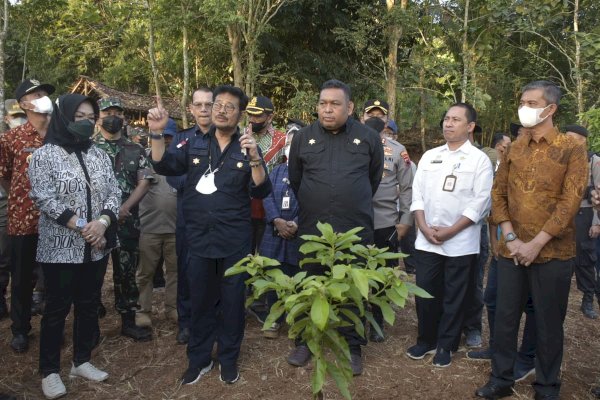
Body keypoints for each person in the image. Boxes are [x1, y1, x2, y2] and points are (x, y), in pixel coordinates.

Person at [148, 85, 271, 385]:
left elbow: (262, 189)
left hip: (234, 241)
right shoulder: (191, 143)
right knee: (200, 302)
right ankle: (199, 359)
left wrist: (254, 156)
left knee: (231, 304)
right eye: (218, 104)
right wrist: (155, 133)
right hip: (199, 239)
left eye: (230, 106)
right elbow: (162, 164)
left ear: (240, 114)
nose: (220, 110)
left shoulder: (247, 146)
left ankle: (228, 359)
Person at [476, 81, 588, 400]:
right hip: (511, 250)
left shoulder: (571, 148)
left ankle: (547, 385)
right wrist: (510, 237)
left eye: (531, 102)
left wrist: (536, 243)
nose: (523, 108)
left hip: (553, 252)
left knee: (549, 323)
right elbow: (498, 194)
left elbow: (570, 201)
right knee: (505, 318)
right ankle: (501, 379)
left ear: (550, 109)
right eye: (522, 102)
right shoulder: (513, 148)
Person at [287, 79, 384, 376]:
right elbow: (296, 179)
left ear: (350, 107)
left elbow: (373, 179)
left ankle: (352, 345)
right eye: (322, 103)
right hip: (312, 230)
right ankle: (305, 340)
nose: (327, 109)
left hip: (353, 229)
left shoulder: (368, 137)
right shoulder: (303, 138)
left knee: (353, 288)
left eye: (335, 104)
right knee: (308, 282)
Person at [28, 94, 120, 399]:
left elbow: (113, 191)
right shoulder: (45, 155)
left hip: (97, 246)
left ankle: (81, 361)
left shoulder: (99, 155)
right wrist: (84, 226)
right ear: (64, 117)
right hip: (60, 248)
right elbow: (44, 198)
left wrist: (103, 223)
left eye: (90, 117)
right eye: (79, 116)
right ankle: (50, 371)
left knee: (88, 304)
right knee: (56, 309)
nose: (86, 122)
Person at [406, 102, 493, 368]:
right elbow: (417, 194)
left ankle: (446, 344)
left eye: (455, 120)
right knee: (425, 292)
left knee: (456, 295)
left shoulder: (479, 160)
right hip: (427, 239)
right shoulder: (430, 156)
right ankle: (426, 339)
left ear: (470, 127)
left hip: (460, 242)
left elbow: (480, 202)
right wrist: (422, 226)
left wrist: (451, 230)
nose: (448, 123)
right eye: (446, 119)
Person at [0, 78, 54, 353]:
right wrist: (23, 196)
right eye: (36, 95)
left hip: (59, 222)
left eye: (44, 93)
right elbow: (5, 177)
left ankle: (53, 327)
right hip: (23, 221)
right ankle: (20, 330)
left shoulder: (62, 137)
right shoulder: (11, 139)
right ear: (23, 104)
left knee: (55, 279)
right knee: (21, 279)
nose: (43, 98)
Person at [94, 97, 153, 341]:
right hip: (95, 224)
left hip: (127, 221)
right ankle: (90, 322)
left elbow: (145, 180)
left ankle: (128, 320)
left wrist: (125, 207)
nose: (112, 116)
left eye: (117, 112)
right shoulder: (88, 149)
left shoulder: (135, 149)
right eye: (107, 112)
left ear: (124, 117)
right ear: (98, 117)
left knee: (127, 272)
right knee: (92, 272)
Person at [166, 87, 213, 344]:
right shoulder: (182, 139)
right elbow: (172, 173)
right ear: (191, 109)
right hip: (189, 216)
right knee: (186, 269)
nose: (204, 109)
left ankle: (212, 319)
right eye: (199, 104)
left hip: (218, 217)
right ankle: (186, 322)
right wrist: (198, 183)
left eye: (209, 104)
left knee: (215, 272)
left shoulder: (226, 138)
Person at [364, 116, 413, 343]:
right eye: (369, 113)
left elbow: (406, 188)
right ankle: (356, 319)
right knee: (356, 271)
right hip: (356, 221)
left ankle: (378, 321)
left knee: (384, 275)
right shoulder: (350, 144)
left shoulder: (397, 150)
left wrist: (405, 219)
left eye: (379, 114)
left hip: (385, 222)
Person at [258, 121, 302, 338]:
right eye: (290, 142)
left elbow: (314, 201)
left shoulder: (310, 173)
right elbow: (266, 194)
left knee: (296, 278)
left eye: (297, 142)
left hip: (297, 234)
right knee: (274, 276)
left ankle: (296, 320)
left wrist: (296, 222)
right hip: (273, 232)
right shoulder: (276, 170)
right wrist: (275, 219)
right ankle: (273, 318)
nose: (291, 146)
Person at [135, 118, 178, 327]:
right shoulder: (144, 159)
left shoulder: (182, 160)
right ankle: (143, 310)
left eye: (169, 136)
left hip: (176, 228)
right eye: (162, 136)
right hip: (149, 227)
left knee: (176, 271)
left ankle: (173, 308)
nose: (166, 140)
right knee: (146, 272)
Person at [564, 124, 600, 319]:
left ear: (583, 140)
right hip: (564, 214)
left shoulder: (594, 161)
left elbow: (598, 195)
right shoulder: (562, 159)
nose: (568, 141)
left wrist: (596, 222)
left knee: (585, 258)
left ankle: (587, 299)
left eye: (572, 137)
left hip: (585, 214)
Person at [244, 95, 286, 254]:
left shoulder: (282, 140)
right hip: (243, 205)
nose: (252, 119)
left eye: (258, 115)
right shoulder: (240, 136)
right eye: (250, 114)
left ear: (270, 117)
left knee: (266, 254)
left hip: (270, 207)